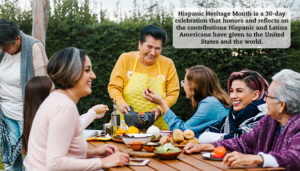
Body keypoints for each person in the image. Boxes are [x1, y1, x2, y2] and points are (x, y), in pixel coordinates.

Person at [24, 47, 129, 170]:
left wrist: (92, 153)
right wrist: (102, 162)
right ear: (71, 72)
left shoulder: (57, 100)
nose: (93, 76)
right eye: (87, 70)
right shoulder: (64, 107)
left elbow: (53, 152)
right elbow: (55, 163)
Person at [184, 69, 300, 170]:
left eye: (268, 96)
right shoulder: (269, 121)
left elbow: (295, 157)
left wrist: (258, 159)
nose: (264, 100)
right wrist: (207, 146)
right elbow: (243, 142)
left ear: (282, 105)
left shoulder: (297, 124)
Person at [108, 25, 179, 130]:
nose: (152, 52)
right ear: (140, 44)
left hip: (156, 127)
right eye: (149, 47)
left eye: (157, 48)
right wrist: (121, 103)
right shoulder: (126, 59)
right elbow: (114, 87)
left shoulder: (168, 64)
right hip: (125, 126)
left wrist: (160, 108)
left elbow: (173, 93)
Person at [0, 19, 48, 170]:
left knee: (33, 160)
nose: (3, 51)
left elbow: (43, 85)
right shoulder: (2, 49)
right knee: (11, 161)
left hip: (28, 115)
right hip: (6, 114)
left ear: (18, 39)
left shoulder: (34, 47)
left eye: (7, 47)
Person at [21, 76, 109, 155]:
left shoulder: (33, 117)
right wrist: (92, 112)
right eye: (52, 91)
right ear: (42, 97)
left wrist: (92, 114)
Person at [143, 65, 231, 137]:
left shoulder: (209, 104)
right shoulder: (213, 102)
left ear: (194, 87)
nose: (183, 86)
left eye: (184, 82)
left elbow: (183, 130)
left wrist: (162, 103)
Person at [198, 70, 269, 143]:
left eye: (239, 91)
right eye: (231, 91)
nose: (233, 96)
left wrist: (216, 138)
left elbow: (244, 140)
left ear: (255, 95)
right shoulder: (231, 117)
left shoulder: (266, 117)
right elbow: (207, 133)